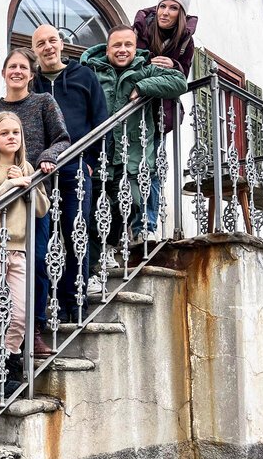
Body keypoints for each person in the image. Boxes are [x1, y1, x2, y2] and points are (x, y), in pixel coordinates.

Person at [0, 47, 69, 346]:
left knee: (36, 263)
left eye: (23, 67)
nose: (17, 72)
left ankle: (32, 331)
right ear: (4, 72)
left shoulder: (43, 102)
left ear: (31, 73)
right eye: (12, 66)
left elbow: (62, 139)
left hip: (31, 191)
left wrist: (44, 161)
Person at [80, 25, 187, 288]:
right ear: (107, 49)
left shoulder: (145, 67)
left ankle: (111, 243)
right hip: (101, 156)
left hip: (135, 155)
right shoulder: (91, 71)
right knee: (96, 211)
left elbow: (179, 83)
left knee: (131, 203)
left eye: (128, 45)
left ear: (135, 47)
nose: (122, 50)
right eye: (117, 45)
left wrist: (143, 85)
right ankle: (98, 259)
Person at [31, 24, 110, 322]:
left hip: (76, 169)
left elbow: (101, 122)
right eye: (41, 44)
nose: (48, 47)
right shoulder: (32, 83)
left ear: (62, 44)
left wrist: (91, 161)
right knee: (47, 238)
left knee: (76, 234)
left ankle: (75, 303)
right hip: (41, 173)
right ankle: (52, 301)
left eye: (53, 41)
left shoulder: (84, 76)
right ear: (35, 49)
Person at [0, 111, 50, 398]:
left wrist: (29, 182)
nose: (11, 138)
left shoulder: (26, 166)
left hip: (19, 249)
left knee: (20, 313)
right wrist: (7, 186)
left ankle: (9, 364)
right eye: (4, 133)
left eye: (15, 133)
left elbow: (41, 208)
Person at [133, 0, 197, 242]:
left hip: (161, 114)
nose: (166, 12)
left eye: (173, 8)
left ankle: (147, 226)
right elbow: (131, 61)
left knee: (154, 170)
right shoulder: (141, 29)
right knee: (132, 168)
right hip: (136, 110)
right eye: (163, 6)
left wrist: (175, 64)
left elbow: (183, 78)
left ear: (181, 13)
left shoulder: (185, 42)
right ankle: (132, 227)